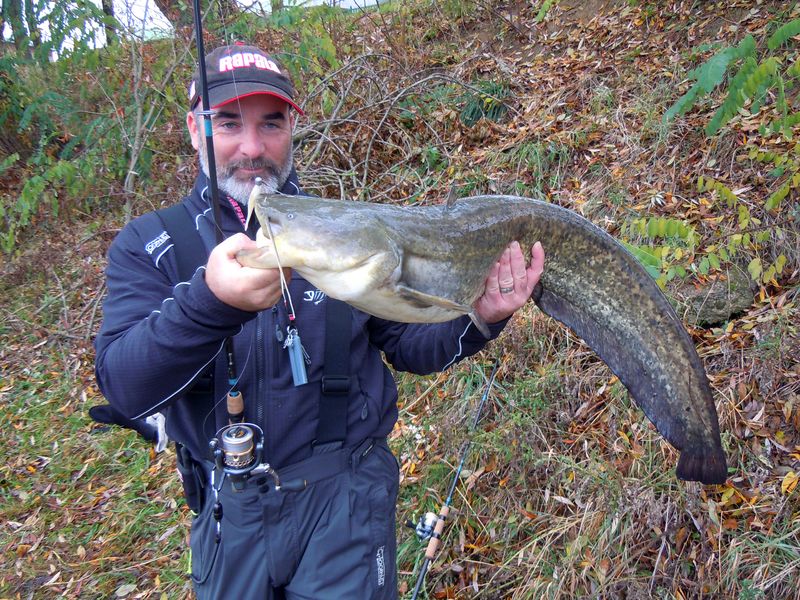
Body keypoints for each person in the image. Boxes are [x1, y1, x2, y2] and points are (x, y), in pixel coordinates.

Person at [94, 43, 545, 600]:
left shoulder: (350, 228)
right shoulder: (149, 245)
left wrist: (479, 319)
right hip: (229, 512)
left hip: (347, 502)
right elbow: (124, 383)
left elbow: (408, 345)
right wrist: (210, 301)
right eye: (228, 123)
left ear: (292, 128)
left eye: (272, 123)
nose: (253, 148)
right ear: (194, 129)